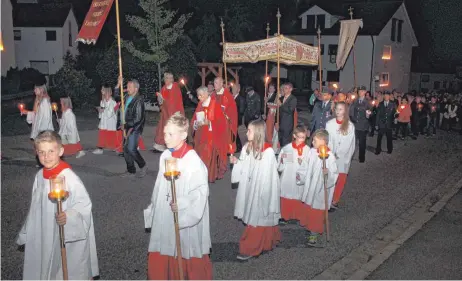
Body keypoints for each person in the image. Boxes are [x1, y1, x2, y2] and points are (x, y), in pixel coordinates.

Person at [16, 130, 99, 279]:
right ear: (36, 153)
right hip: (43, 231)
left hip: (63, 233)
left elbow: (84, 204)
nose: (46, 157)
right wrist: (27, 232)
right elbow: (35, 208)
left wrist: (68, 216)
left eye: (51, 151)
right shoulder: (40, 176)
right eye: (41, 152)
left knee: (61, 268)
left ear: (60, 151)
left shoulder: (68, 177)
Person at [144, 112, 212, 280]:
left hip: (182, 217)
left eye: (170, 134)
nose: (165, 137)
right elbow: (159, 186)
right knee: (163, 247)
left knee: (184, 251)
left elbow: (200, 193)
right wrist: (155, 207)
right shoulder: (165, 156)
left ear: (183, 135)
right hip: (165, 212)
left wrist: (182, 204)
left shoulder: (193, 161)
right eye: (165, 133)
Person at [230, 120, 281, 261]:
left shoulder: (268, 152)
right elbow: (243, 164)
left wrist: (263, 194)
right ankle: (268, 241)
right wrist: (236, 162)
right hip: (250, 187)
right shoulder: (247, 146)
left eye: (249, 131)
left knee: (257, 217)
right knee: (258, 217)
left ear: (258, 133)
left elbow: (268, 176)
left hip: (261, 189)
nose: (246, 133)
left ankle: (251, 247)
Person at [300, 129, 338, 246]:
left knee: (316, 211)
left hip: (320, 190)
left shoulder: (330, 157)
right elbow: (305, 165)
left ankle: (314, 233)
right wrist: (301, 173)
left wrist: (328, 174)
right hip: (310, 186)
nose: (312, 143)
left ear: (323, 141)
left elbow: (334, 175)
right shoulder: (312, 152)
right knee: (309, 208)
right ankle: (309, 226)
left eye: (315, 141)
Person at [191, 86, 228, 183]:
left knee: (208, 156)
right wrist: (196, 123)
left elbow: (221, 122)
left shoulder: (215, 104)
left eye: (200, 95)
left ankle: (208, 175)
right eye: (198, 95)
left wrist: (210, 123)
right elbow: (195, 118)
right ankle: (200, 175)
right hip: (200, 135)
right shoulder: (200, 104)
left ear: (207, 94)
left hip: (211, 136)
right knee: (199, 154)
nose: (198, 98)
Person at [277, 125, 309, 224]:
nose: (301, 140)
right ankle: (285, 216)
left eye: (303, 138)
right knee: (286, 195)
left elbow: (310, 165)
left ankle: (298, 216)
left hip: (299, 178)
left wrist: (302, 163)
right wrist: (282, 160)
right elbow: (280, 167)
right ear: (294, 136)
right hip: (287, 176)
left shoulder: (307, 150)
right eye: (299, 137)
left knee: (298, 195)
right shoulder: (287, 148)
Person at [326, 102, 355, 209]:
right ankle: (328, 198)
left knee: (341, 178)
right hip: (331, 155)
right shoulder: (329, 124)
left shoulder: (350, 126)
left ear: (345, 111)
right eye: (337, 109)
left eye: (341, 109)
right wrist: (331, 152)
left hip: (343, 157)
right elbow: (328, 140)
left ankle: (335, 199)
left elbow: (347, 143)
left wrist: (338, 154)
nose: (338, 111)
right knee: (330, 178)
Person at [153, 72, 186, 152]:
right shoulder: (164, 88)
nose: (167, 80)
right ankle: (161, 144)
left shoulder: (175, 87)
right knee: (163, 128)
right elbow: (162, 101)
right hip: (165, 112)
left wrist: (176, 112)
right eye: (166, 78)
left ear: (172, 79)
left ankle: (175, 145)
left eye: (169, 78)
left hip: (174, 112)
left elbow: (176, 101)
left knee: (173, 129)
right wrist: (160, 99)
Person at [122, 79, 147, 177]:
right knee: (125, 149)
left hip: (135, 127)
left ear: (136, 89)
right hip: (127, 126)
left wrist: (126, 125)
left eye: (129, 87)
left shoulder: (139, 100)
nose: (127, 89)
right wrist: (118, 86)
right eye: (127, 87)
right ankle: (131, 170)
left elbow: (138, 118)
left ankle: (143, 166)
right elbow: (116, 97)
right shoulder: (126, 96)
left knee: (131, 148)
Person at [213, 77, 238, 177]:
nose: (214, 85)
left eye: (216, 83)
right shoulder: (214, 95)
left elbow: (230, 111)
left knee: (228, 145)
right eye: (214, 82)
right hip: (216, 125)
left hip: (227, 125)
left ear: (221, 83)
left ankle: (230, 164)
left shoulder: (227, 95)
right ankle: (218, 165)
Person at [349, 86, 372, 163]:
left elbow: (371, 112)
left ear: (365, 92)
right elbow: (351, 110)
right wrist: (352, 119)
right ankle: (351, 157)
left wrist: (369, 114)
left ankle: (361, 158)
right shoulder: (355, 101)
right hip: (355, 124)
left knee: (362, 143)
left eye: (362, 91)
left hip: (363, 126)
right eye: (359, 91)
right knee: (353, 143)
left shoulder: (368, 102)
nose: (360, 92)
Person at [93, 84, 118, 154]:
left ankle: (116, 147)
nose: (101, 91)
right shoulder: (102, 101)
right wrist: (100, 111)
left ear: (106, 91)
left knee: (111, 135)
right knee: (102, 135)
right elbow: (101, 115)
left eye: (102, 89)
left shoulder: (113, 102)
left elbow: (110, 114)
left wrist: (102, 109)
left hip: (110, 122)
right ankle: (100, 148)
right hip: (103, 122)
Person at [276, 82, 298, 148]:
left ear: (290, 89)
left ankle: (286, 156)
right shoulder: (281, 98)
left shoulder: (293, 99)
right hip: (280, 124)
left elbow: (290, 110)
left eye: (286, 88)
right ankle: (281, 155)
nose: (284, 89)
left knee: (286, 143)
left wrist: (281, 105)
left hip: (287, 125)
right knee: (280, 141)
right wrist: (276, 122)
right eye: (284, 88)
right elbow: (278, 112)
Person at [232, 83, 246, 152]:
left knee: (236, 133)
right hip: (231, 119)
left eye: (234, 88)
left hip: (237, 118)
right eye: (232, 88)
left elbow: (241, 111)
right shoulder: (231, 97)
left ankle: (238, 146)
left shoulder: (241, 99)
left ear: (238, 90)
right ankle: (235, 146)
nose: (233, 90)